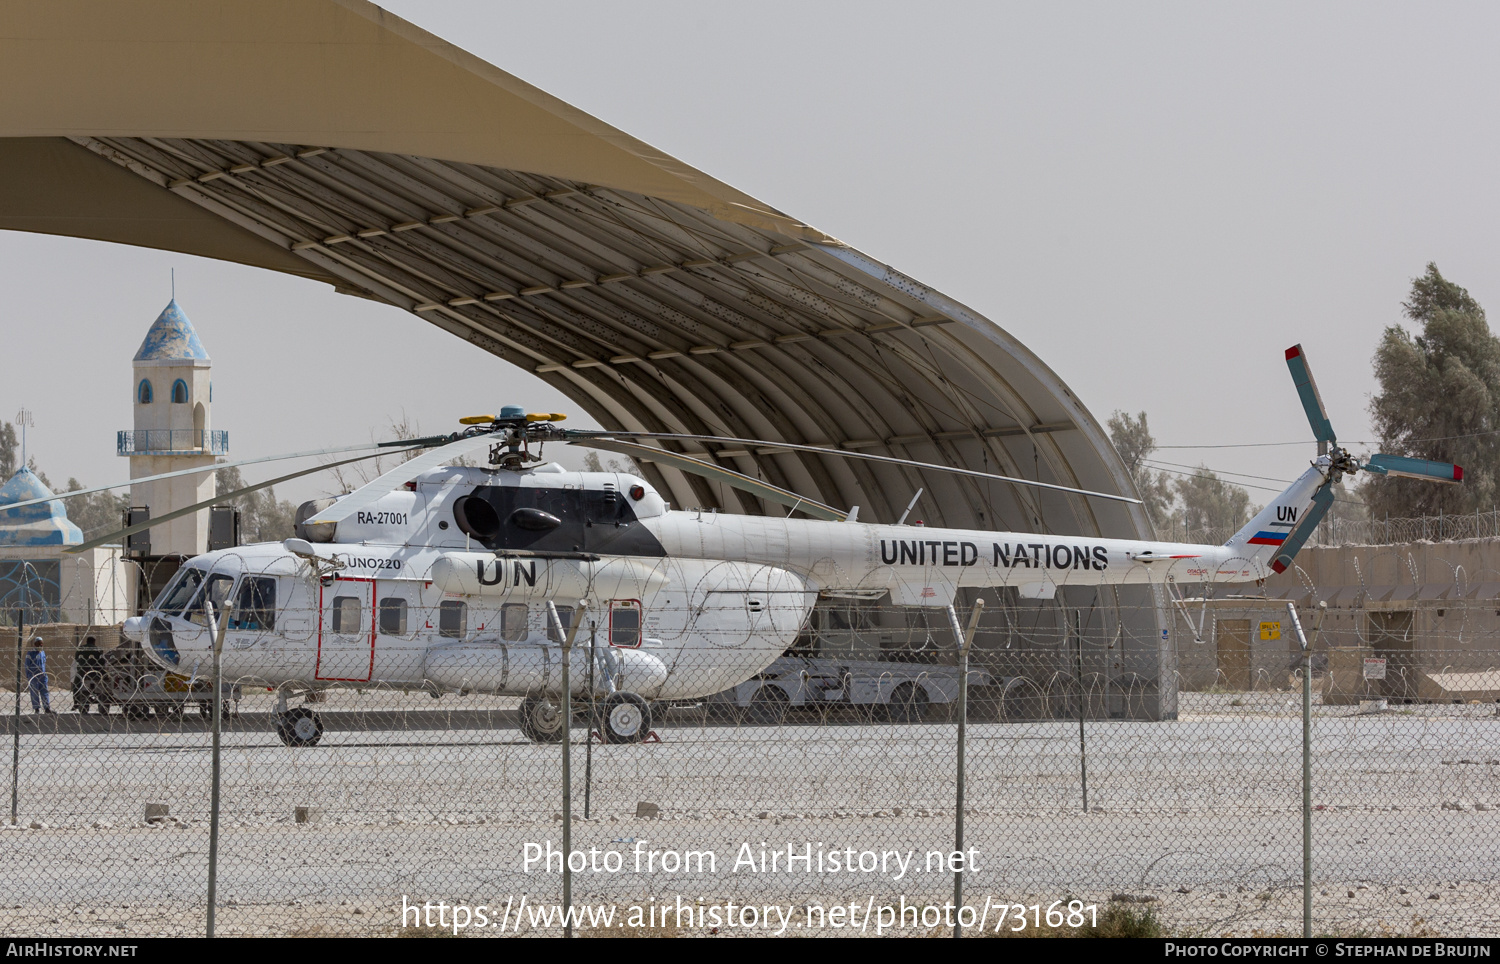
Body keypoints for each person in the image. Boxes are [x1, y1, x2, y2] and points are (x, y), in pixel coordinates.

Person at [72, 636, 105, 714]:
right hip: (96, 672)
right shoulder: (98, 649)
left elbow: (77, 659)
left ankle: (76, 702)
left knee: (76, 684)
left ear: (87, 641)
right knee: (105, 679)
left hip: (83, 671)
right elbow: (102, 661)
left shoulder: (81, 648)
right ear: (94, 642)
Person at [24, 636, 51, 714]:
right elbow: (27, 665)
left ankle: (47, 708)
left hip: (42, 676)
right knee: (34, 692)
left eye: (41, 644)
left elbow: (44, 663)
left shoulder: (42, 652)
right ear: (35, 644)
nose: (40, 646)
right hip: (33, 676)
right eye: (39, 644)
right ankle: (36, 708)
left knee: (44, 691)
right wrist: (28, 675)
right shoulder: (30, 653)